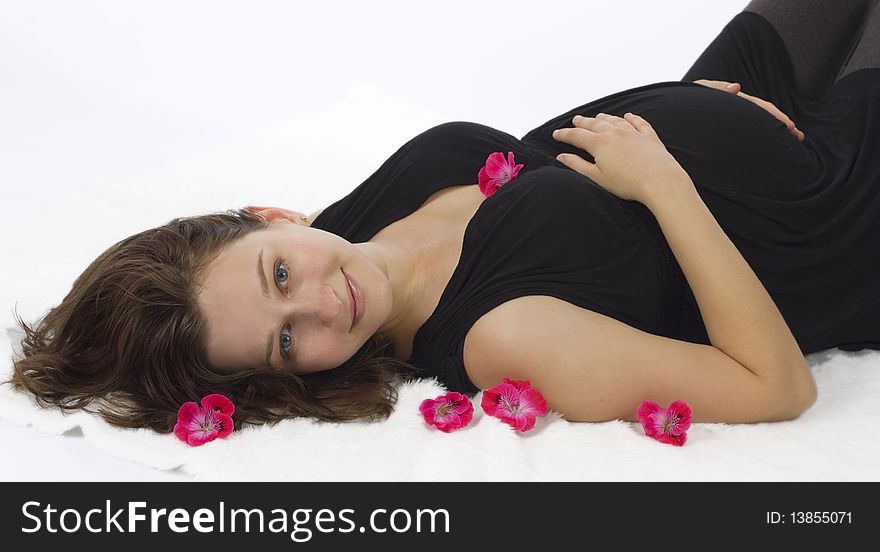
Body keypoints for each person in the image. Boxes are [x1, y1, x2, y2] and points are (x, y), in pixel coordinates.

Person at [8, 0, 880, 433]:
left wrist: (684, 109)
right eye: (285, 342)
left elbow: (551, 167)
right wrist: (665, 178)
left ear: (267, 215)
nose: (321, 306)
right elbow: (776, 388)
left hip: (741, 105)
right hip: (841, 211)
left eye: (279, 273)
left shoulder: (351, 228)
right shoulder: (499, 337)